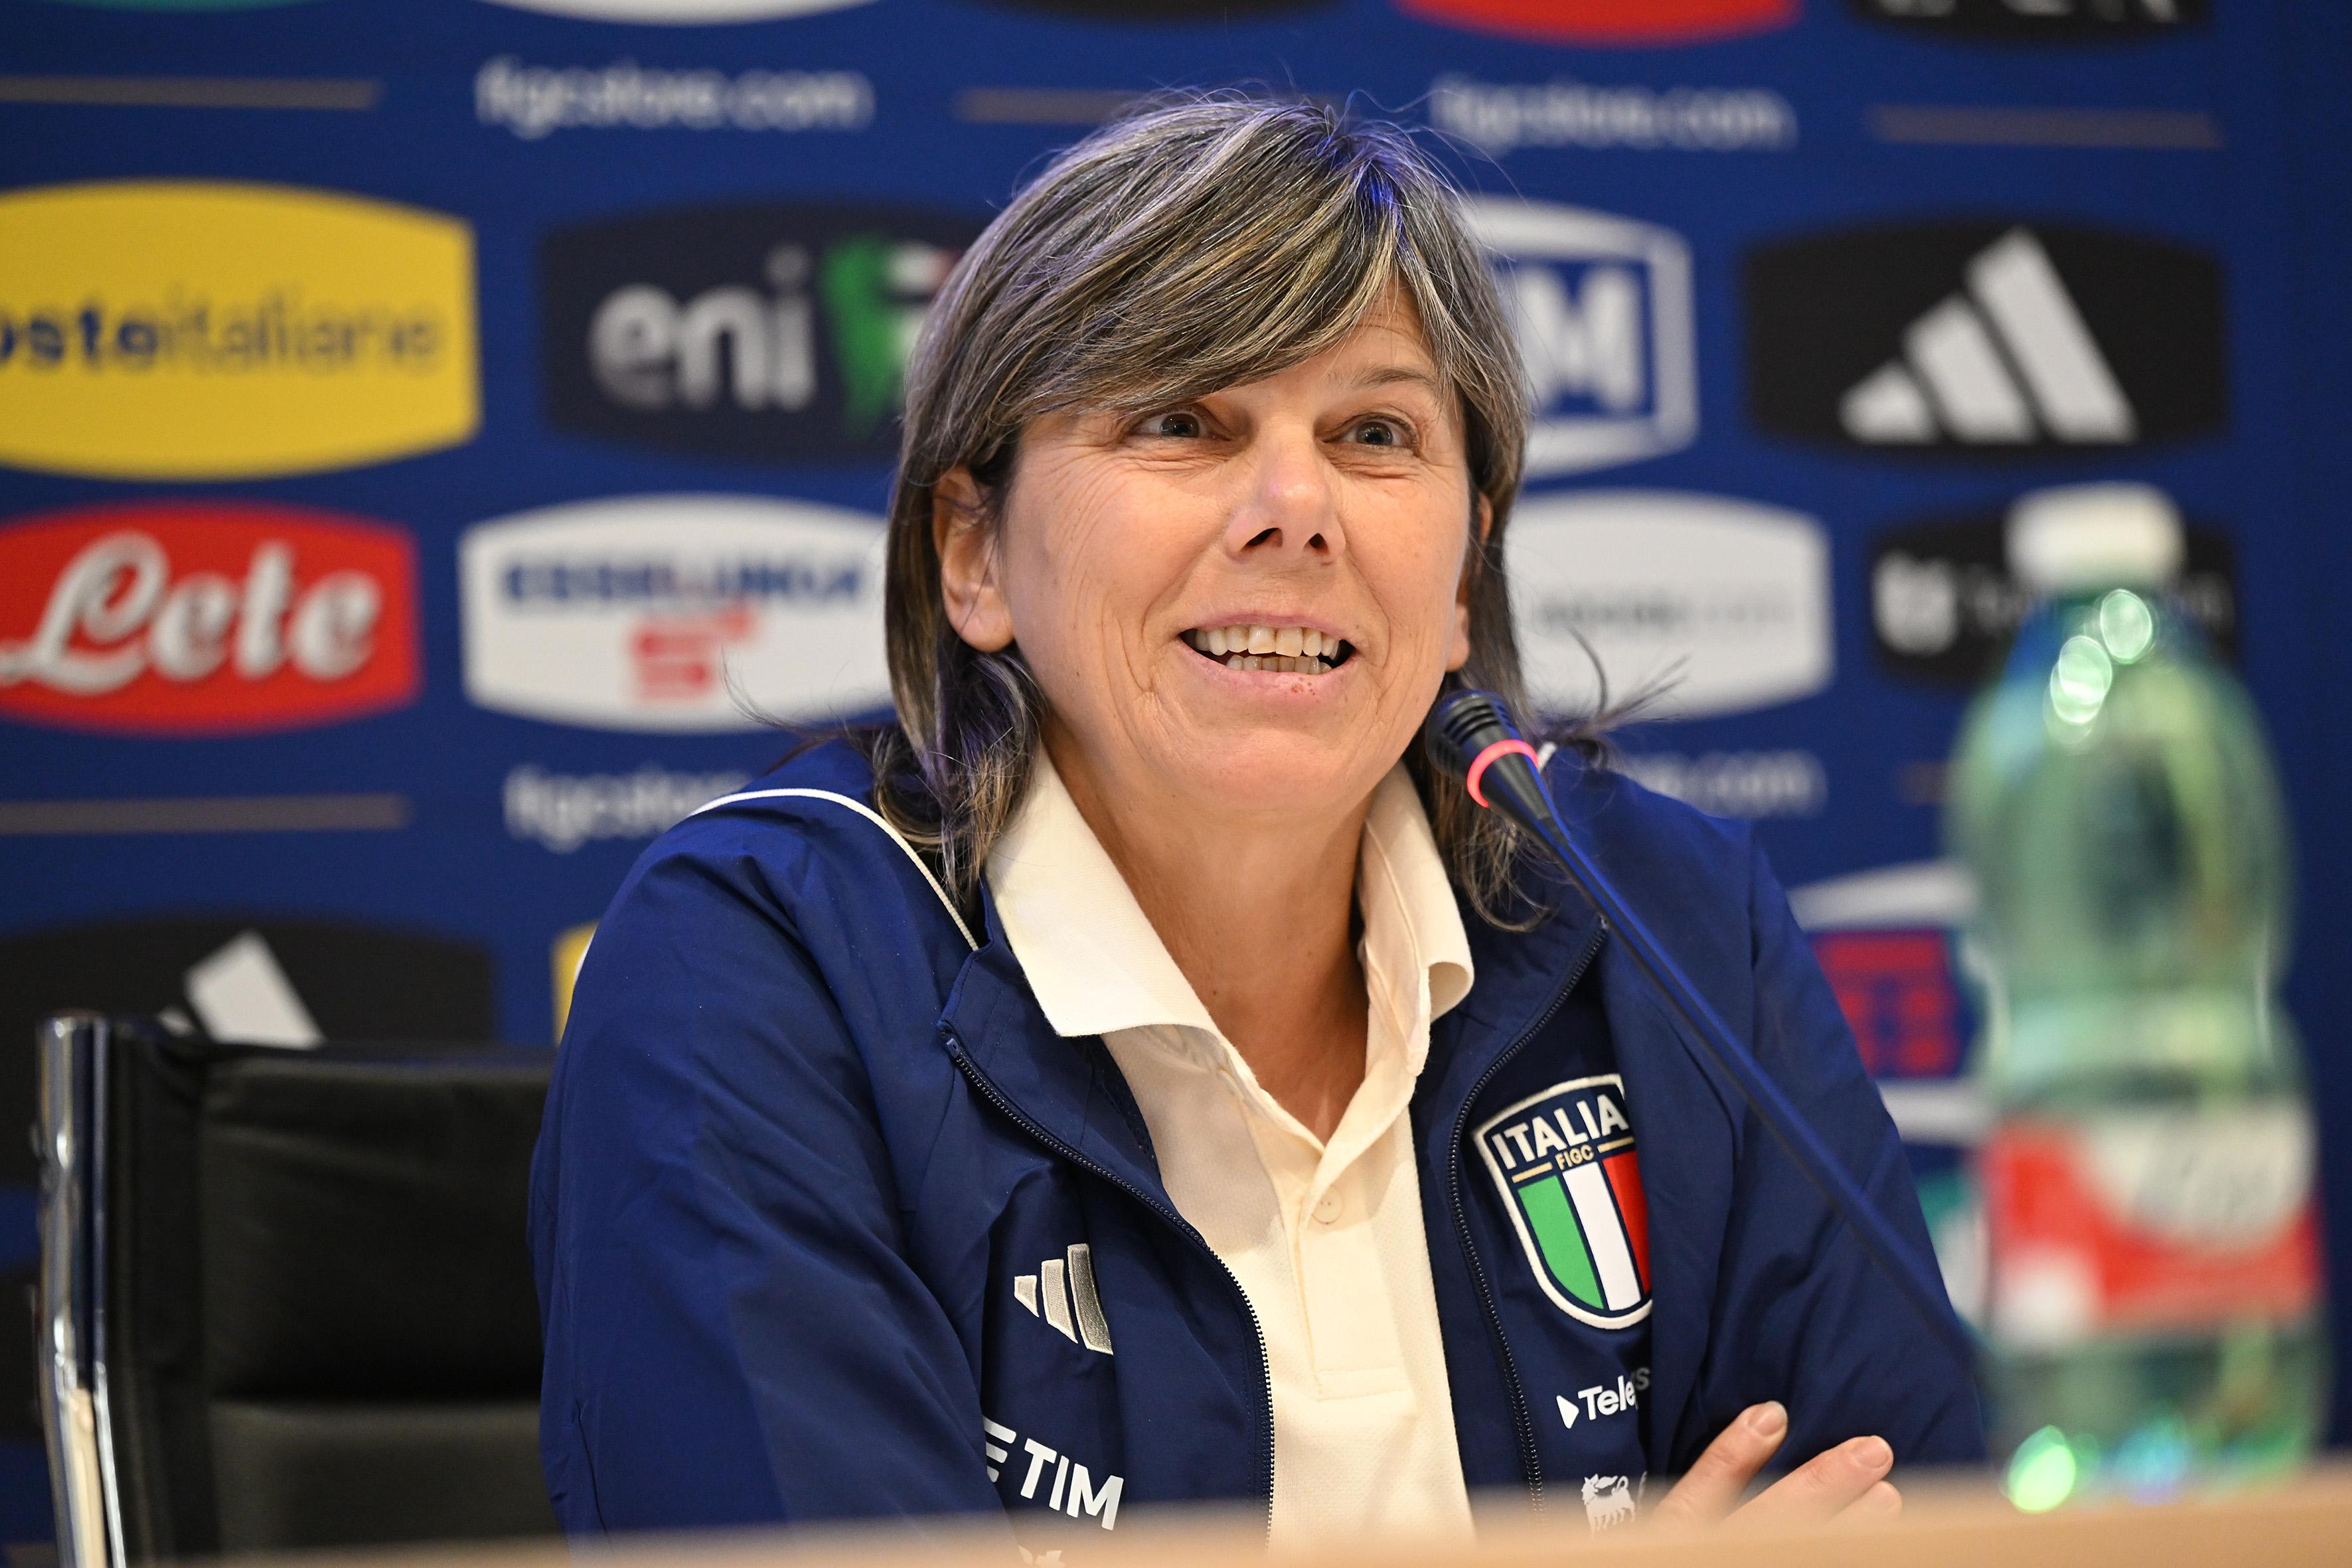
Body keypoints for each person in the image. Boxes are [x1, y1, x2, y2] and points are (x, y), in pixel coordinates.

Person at [528, 95, 1983, 1549]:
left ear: (1466, 565)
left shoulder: (1666, 925)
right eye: (1180, 421)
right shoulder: (756, 972)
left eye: (1372, 431)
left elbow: (1947, 1525)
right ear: (972, 554)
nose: (1294, 508)